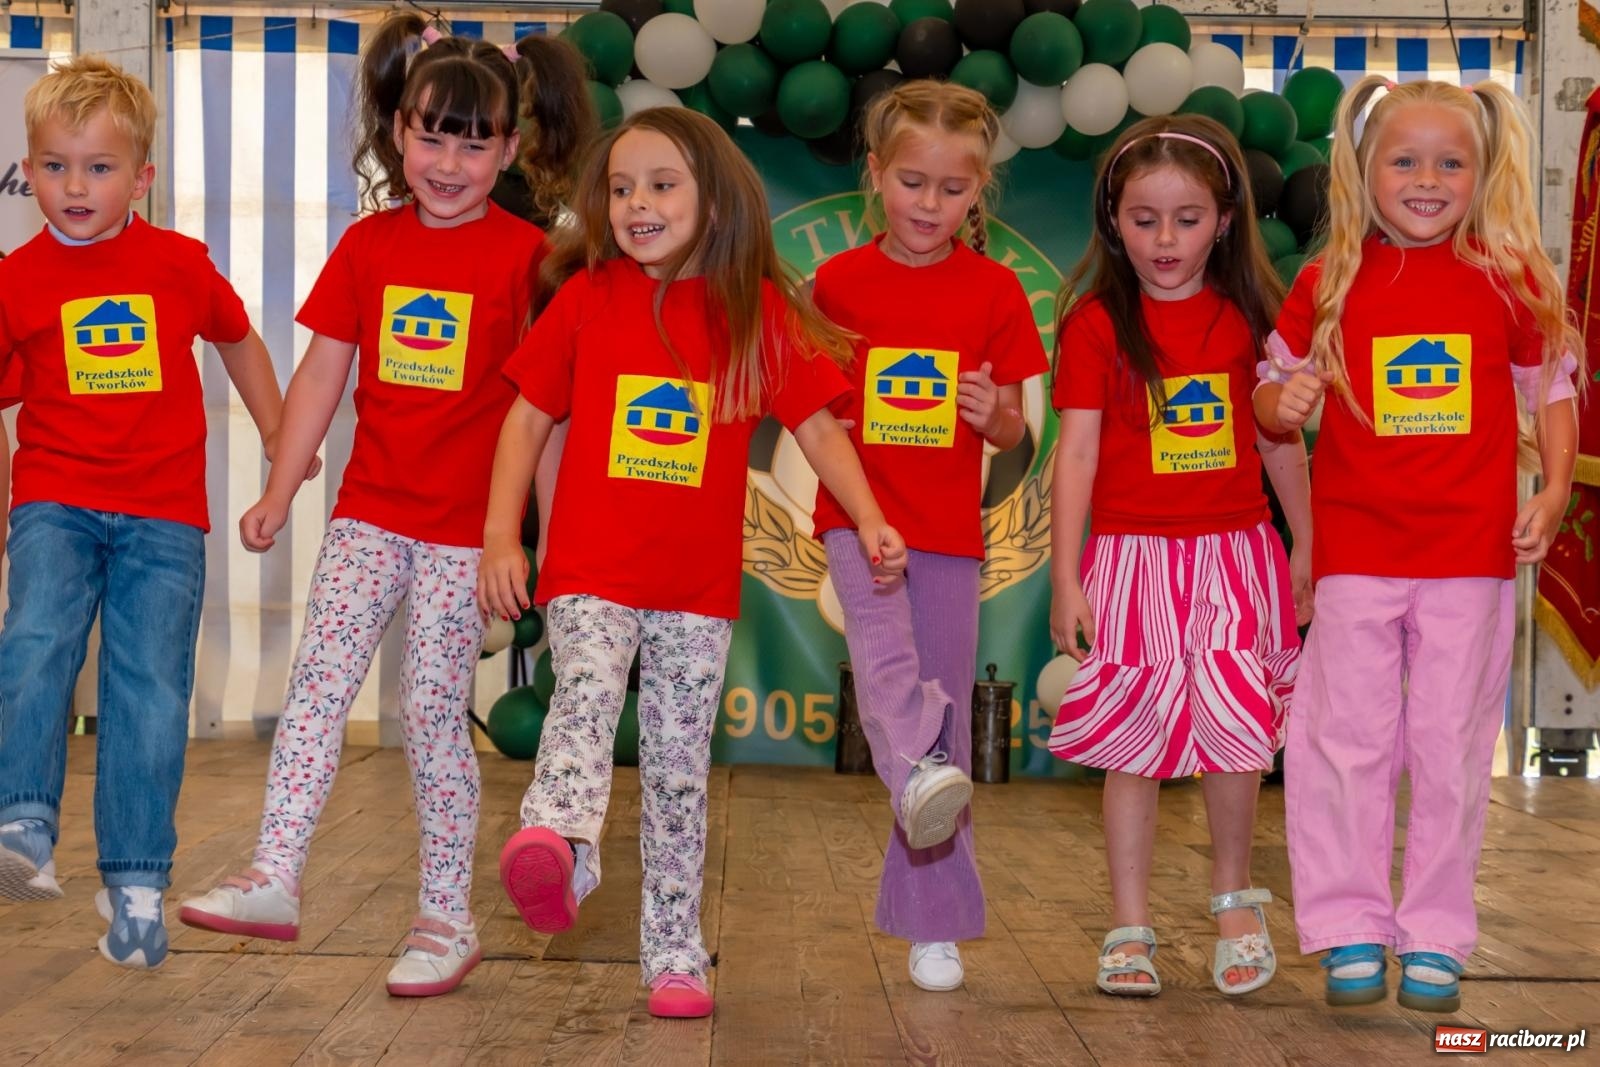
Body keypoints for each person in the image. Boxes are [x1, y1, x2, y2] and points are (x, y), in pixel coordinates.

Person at [178, 14, 588, 998]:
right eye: (430, 135)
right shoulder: (368, 245)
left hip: (463, 535)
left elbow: (545, 415)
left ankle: (447, 916)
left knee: (432, 715)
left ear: (510, 149)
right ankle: (275, 874)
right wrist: (281, 485)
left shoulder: (530, 260)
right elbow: (322, 373)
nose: (447, 162)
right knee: (316, 692)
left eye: (473, 143)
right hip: (368, 514)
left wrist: (553, 538)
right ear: (398, 131)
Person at [477, 107, 907, 1020]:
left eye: (661, 185)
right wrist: (501, 535)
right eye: (621, 188)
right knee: (584, 694)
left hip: (695, 590)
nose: (637, 203)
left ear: (713, 201)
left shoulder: (752, 312)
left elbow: (819, 428)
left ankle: (674, 954)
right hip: (591, 569)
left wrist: (869, 515)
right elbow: (526, 419)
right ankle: (555, 837)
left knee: (677, 769)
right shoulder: (588, 297)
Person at [1255, 76, 1582, 1013]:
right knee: (1344, 741)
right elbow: (1266, 398)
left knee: (1450, 746)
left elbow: (1554, 388)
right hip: (1356, 555)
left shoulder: (1509, 278)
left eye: (1450, 162)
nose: (1428, 180)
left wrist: (1554, 488)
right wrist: (1285, 401)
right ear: (1365, 171)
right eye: (1405, 160)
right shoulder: (1328, 280)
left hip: (1471, 559)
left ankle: (1436, 933)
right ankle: (1349, 927)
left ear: (1483, 173)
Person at [0, 55, 290, 969]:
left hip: (164, 516)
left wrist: (279, 436)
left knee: (149, 690)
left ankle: (134, 887)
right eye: (55, 166)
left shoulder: (178, 263)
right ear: (28, 171)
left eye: (98, 167)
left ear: (142, 176)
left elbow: (240, 340)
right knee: (34, 640)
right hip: (55, 500)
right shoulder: (16, 279)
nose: (75, 186)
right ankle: (22, 824)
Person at [1051, 115, 1312, 998]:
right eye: (1144, 219)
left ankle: (1234, 902)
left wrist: (1308, 544)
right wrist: (1066, 575)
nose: (1166, 239)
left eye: (1188, 218)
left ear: (1225, 220)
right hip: (1131, 561)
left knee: (1237, 735)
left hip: (1238, 554)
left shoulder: (1252, 319)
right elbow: (1076, 454)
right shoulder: (1095, 325)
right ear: (1113, 222)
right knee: (1132, 744)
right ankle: (1129, 925)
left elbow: (1279, 442)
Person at [809, 80, 1048, 992]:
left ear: (979, 190)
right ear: (876, 174)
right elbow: (813, 407)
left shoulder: (994, 289)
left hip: (950, 533)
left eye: (953, 189)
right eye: (913, 182)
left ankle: (934, 922)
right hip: (856, 516)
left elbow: (1015, 428)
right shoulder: (838, 282)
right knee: (887, 676)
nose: (929, 204)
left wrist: (994, 415)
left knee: (938, 724)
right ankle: (916, 774)